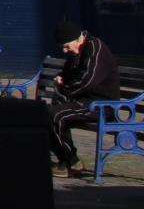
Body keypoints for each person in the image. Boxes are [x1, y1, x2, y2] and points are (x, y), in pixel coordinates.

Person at [46, 19, 119, 178]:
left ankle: (71, 161)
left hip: (100, 104)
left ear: (78, 38)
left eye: (66, 46)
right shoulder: (77, 50)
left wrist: (65, 89)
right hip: (84, 100)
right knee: (48, 112)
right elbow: (69, 73)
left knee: (55, 114)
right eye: (62, 47)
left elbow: (87, 80)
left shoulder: (95, 49)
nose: (65, 51)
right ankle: (67, 160)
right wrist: (61, 79)